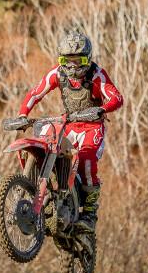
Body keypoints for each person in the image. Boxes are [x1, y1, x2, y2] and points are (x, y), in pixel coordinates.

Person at [18, 33, 123, 233]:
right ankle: (44, 192)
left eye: (78, 61)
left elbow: (116, 98)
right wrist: (23, 115)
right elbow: (35, 93)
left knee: (86, 160)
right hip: (69, 123)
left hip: (92, 126)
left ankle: (90, 214)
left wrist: (102, 109)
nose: (72, 66)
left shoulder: (97, 75)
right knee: (46, 145)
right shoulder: (57, 73)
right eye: (67, 60)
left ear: (88, 59)